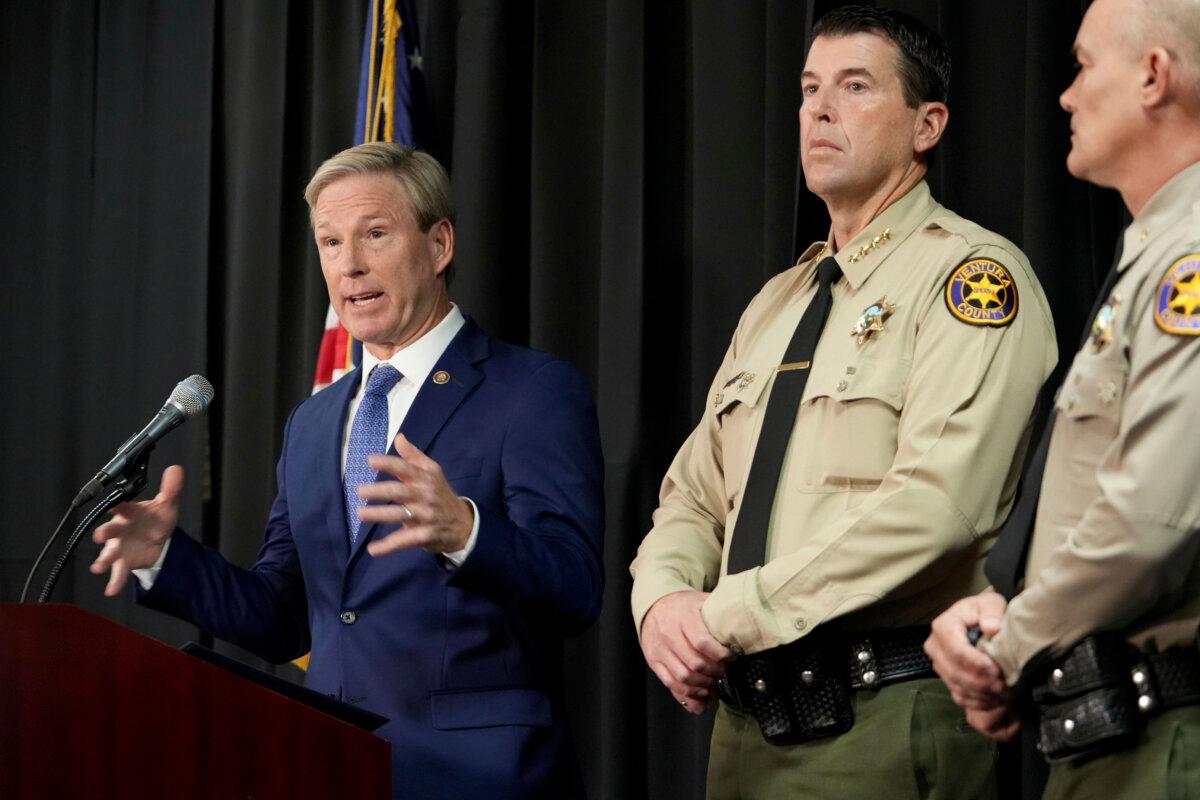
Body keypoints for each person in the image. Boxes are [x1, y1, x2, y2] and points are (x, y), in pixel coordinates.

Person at [89, 143, 605, 800]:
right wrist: (165, 560)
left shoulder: (530, 390)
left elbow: (575, 587)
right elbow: (284, 619)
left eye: (376, 234)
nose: (350, 264)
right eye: (331, 243)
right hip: (330, 766)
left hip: (481, 777)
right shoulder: (313, 423)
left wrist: (467, 532)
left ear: (440, 243)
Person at [629, 6, 1056, 797]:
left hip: (882, 720)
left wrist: (725, 615)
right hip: (742, 729)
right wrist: (661, 606)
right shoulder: (778, 304)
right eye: (807, 89)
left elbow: (940, 508)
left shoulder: (973, 279)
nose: (818, 110)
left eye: (854, 87)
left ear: (927, 124)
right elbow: (692, 495)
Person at [925, 0, 1200, 795]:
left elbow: (1152, 518)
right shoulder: (1153, 258)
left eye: (1083, 65)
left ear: (1153, 76)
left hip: (1161, 746)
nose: (1066, 96)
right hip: (1111, 738)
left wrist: (1011, 640)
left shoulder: (1187, 263)